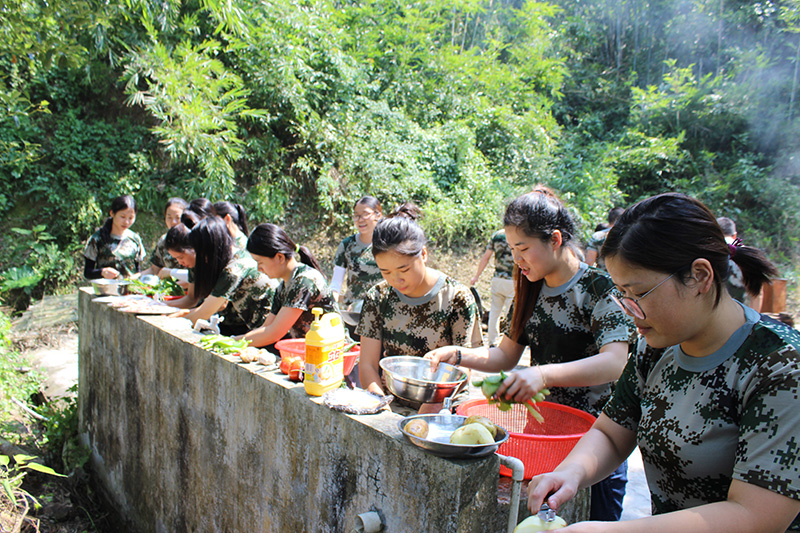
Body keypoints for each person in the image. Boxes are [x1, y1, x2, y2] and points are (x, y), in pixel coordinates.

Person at [526, 193, 800, 532]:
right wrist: (570, 472)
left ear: (700, 276)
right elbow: (612, 433)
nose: (629, 310)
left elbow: (757, 515)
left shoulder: (780, 365)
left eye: (638, 294)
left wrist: (611, 530)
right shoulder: (657, 345)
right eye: (621, 295)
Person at [426, 187, 635, 521]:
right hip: (544, 438)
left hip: (596, 443)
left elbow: (615, 362)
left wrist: (541, 375)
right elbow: (505, 356)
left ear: (554, 239)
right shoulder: (529, 288)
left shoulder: (598, 288)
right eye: (511, 250)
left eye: (523, 249)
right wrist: (458, 354)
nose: (516, 259)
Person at [357, 203, 483, 414]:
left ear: (423, 254)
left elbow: (463, 368)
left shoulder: (457, 298)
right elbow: (368, 365)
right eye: (385, 272)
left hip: (443, 410)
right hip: (390, 406)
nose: (395, 280)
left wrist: (426, 412)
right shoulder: (378, 297)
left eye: (403, 269)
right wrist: (381, 408)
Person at [171, 217, 276, 336]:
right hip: (261, 328)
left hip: (270, 332)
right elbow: (215, 306)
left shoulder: (233, 270)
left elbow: (204, 313)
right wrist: (183, 314)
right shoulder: (236, 255)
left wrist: (170, 322)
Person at [240, 224, 338, 347]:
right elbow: (266, 328)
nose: (258, 269)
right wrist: (232, 341)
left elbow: (274, 333)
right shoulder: (283, 286)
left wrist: (232, 343)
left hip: (333, 355)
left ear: (280, 257)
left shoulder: (304, 281)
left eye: (260, 263)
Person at [330, 196, 384, 313]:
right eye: (356, 215)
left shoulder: (388, 244)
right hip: (353, 312)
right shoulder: (347, 245)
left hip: (383, 310)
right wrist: (334, 307)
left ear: (378, 215)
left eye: (365, 214)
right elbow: (336, 284)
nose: (360, 219)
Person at [83, 195, 146, 279]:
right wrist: (102, 272)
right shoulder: (98, 239)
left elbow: (138, 271)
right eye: (122, 217)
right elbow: (88, 272)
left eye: (131, 218)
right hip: (106, 289)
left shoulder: (135, 239)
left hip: (130, 289)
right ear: (112, 213)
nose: (126, 222)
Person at [470, 228, 515, 346]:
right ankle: (508, 344)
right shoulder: (518, 234)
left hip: (497, 279)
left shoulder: (497, 235)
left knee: (495, 311)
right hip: (513, 280)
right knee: (510, 314)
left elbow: (486, 257)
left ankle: (492, 342)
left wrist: (476, 276)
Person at [717, 216, 764, 312]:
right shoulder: (748, 256)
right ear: (735, 235)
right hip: (740, 319)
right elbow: (757, 295)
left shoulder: (708, 253)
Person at [141, 197, 188, 277]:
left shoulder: (192, 240)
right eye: (169, 217)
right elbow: (155, 270)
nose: (173, 222)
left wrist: (172, 273)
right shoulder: (164, 241)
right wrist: (132, 279)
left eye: (177, 218)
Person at [163, 224, 199, 309]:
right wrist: (159, 305)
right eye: (176, 259)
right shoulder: (192, 267)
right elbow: (191, 299)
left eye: (181, 257)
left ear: (193, 248)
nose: (180, 262)